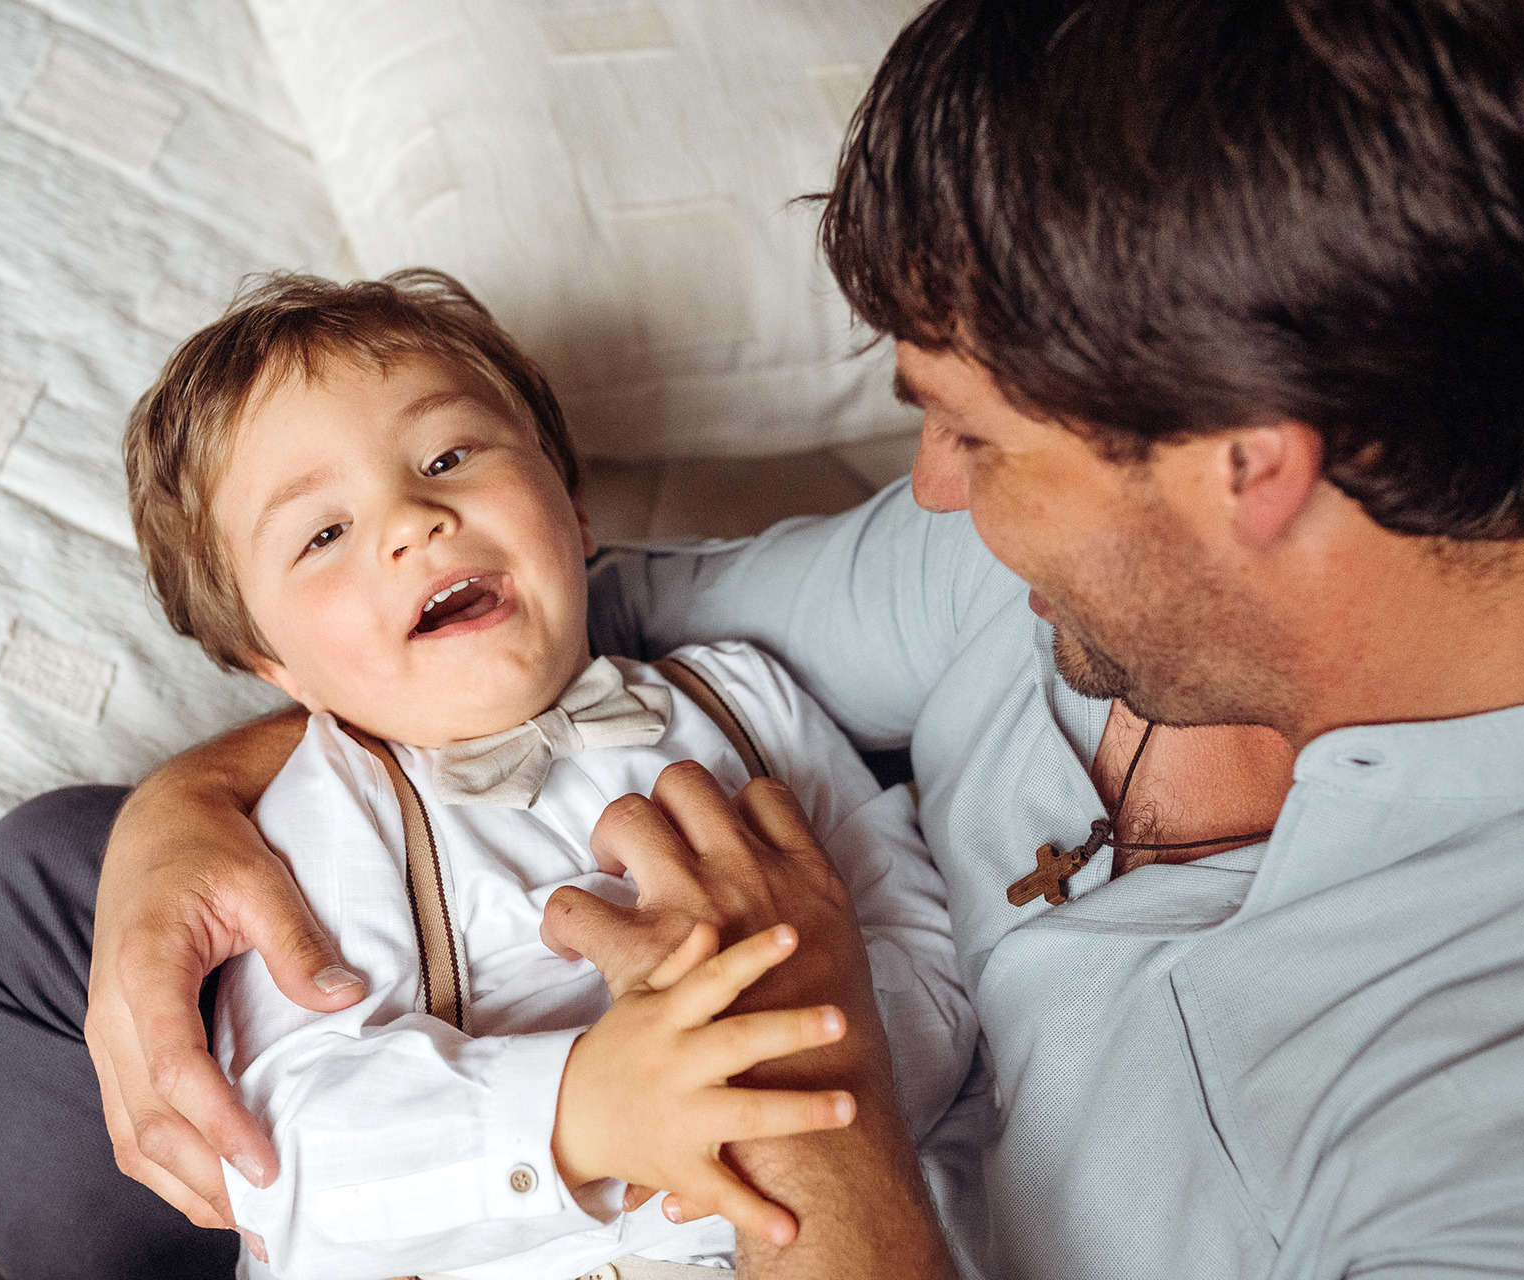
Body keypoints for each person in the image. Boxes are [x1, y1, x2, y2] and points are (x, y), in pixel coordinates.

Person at [0, 0, 1524, 1277]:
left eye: (979, 436)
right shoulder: (980, 573)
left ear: (1248, 467)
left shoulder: (1483, 1108)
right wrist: (195, 809)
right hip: (497, 1142)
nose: (929, 488)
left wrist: (783, 1076)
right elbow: (567, 633)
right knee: (35, 901)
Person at [116, 268, 975, 1279]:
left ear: (572, 507)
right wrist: (581, 1110)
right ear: (276, 667)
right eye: (325, 533)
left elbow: (936, 969)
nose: (413, 519)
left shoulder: (747, 698)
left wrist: (783, 1064)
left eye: (448, 456)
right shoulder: (327, 813)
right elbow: (280, 1159)